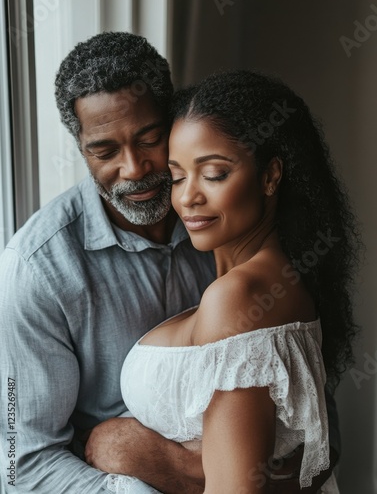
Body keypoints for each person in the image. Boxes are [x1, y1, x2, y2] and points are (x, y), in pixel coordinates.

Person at [0, 31, 341, 493]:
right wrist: (135, 485)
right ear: (80, 148)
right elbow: (25, 462)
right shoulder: (36, 269)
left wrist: (146, 457)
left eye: (150, 140)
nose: (135, 168)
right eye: (104, 151)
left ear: (174, 124)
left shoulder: (222, 227)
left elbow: (312, 434)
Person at [86, 70, 360, 493]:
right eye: (177, 177)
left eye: (213, 174)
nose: (187, 197)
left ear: (270, 176)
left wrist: (138, 453)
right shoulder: (268, 280)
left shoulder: (238, 297)